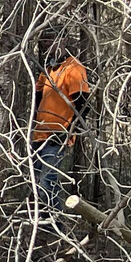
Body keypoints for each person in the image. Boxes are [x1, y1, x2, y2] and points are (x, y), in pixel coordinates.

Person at [31, 38, 90, 208]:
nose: (48, 46)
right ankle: (41, 220)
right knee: (36, 182)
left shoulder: (74, 69)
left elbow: (83, 105)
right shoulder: (47, 70)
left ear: (62, 42)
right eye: (45, 42)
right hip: (38, 134)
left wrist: (70, 131)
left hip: (58, 135)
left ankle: (54, 223)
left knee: (47, 180)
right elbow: (38, 97)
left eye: (51, 42)